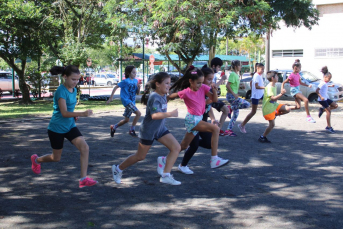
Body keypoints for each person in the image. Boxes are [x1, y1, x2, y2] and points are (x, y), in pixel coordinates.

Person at [30, 65, 97, 188]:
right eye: (73, 79)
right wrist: (82, 114)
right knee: (56, 158)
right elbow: (64, 113)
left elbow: (70, 110)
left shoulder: (74, 90)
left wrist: (75, 116)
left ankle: (83, 179)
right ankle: (36, 160)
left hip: (70, 125)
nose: (76, 82)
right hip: (56, 128)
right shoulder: (60, 91)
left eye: (78, 79)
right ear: (65, 77)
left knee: (85, 148)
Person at [111, 72, 182, 185]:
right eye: (167, 83)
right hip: (148, 131)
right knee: (140, 156)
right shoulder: (154, 97)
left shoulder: (163, 95)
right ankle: (118, 168)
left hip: (160, 129)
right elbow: (154, 115)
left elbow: (167, 99)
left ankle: (165, 175)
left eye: (170, 83)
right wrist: (170, 114)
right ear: (158, 84)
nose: (169, 85)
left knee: (176, 148)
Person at [162, 66, 229, 172]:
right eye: (198, 82)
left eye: (202, 82)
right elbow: (171, 96)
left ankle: (164, 160)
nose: (200, 85)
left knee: (183, 146)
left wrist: (215, 91)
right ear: (191, 81)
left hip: (198, 119)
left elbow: (214, 99)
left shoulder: (203, 88)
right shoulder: (186, 92)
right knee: (215, 129)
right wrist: (161, 99)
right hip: (192, 120)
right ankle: (214, 159)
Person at [106, 66, 142, 137]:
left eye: (136, 72)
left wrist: (139, 88)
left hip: (132, 102)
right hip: (126, 101)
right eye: (133, 72)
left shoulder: (135, 81)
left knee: (126, 120)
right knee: (138, 114)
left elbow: (137, 93)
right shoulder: (125, 81)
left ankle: (114, 127)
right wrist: (111, 98)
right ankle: (132, 130)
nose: (135, 74)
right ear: (128, 73)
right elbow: (116, 87)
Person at [259, 71, 293, 143]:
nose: (278, 77)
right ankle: (263, 137)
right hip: (268, 109)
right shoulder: (269, 87)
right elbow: (273, 98)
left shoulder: (274, 85)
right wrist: (281, 94)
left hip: (274, 106)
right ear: (272, 78)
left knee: (288, 109)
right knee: (272, 125)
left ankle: (276, 114)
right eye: (277, 76)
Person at [225, 60, 251, 136]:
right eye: (240, 65)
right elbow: (227, 85)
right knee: (247, 104)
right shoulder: (233, 74)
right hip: (231, 96)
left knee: (236, 114)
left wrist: (241, 86)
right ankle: (230, 108)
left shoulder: (237, 75)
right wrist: (234, 94)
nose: (241, 67)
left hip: (233, 95)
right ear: (236, 66)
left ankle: (228, 130)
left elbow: (233, 85)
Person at [239, 63, 265, 133]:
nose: (263, 70)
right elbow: (256, 86)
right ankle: (242, 124)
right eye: (262, 69)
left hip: (260, 94)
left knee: (269, 101)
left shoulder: (259, 75)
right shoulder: (256, 76)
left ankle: (274, 112)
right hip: (256, 96)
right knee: (253, 112)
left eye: (263, 69)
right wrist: (265, 87)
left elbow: (251, 83)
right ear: (257, 68)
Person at [209, 58, 231, 136]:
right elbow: (212, 87)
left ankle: (218, 129)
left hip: (211, 98)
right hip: (207, 99)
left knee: (226, 110)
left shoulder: (213, 74)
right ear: (214, 66)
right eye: (219, 67)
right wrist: (222, 79)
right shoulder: (209, 74)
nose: (219, 69)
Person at [317, 66, 338, 133]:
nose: (329, 80)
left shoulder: (325, 83)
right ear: (325, 77)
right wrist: (321, 97)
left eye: (330, 78)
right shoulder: (322, 83)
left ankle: (322, 109)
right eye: (329, 78)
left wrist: (330, 86)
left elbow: (325, 86)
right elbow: (317, 90)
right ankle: (329, 127)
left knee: (335, 106)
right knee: (328, 111)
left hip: (326, 98)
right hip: (322, 100)